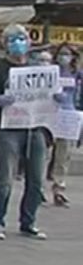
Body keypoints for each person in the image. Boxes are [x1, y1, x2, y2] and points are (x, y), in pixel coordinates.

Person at [0, 24, 52, 240]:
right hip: (8, 129)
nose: (18, 43)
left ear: (29, 42)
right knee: (5, 178)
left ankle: (28, 222)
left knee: (36, 179)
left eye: (21, 38)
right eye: (12, 39)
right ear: (5, 44)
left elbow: (48, 94)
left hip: (35, 127)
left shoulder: (34, 67)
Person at [49, 43, 80, 207]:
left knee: (63, 155)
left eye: (67, 54)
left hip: (68, 116)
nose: (64, 57)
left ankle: (58, 188)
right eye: (61, 53)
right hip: (49, 114)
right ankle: (37, 188)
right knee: (45, 153)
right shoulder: (51, 71)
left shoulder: (78, 74)